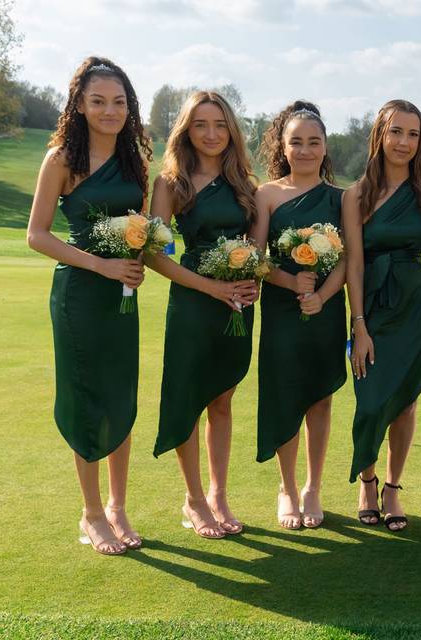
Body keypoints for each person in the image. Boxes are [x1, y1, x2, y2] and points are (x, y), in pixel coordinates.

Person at [26, 56, 153, 555]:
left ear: (129, 107)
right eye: (98, 101)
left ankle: (120, 508)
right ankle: (92, 512)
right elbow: (36, 235)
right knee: (87, 399)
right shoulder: (61, 158)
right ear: (79, 104)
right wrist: (100, 266)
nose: (109, 110)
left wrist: (142, 252)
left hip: (123, 297)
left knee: (121, 396)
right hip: (79, 296)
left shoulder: (135, 162)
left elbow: (140, 226)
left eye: (119, 102)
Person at [147, 91, 259, 539]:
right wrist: (212, 287)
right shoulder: (170, 183)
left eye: (219, 124)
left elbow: (255, 245)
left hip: (237, 304)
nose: (211, 134)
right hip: (194, 302)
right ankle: (193, 500)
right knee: (191, 401)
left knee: (223, 399)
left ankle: (218, 495)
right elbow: (155, 256)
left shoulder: (245, 183)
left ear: (231, 130)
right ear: (186, 131)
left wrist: (251, 281)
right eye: (200, 125)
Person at [343, 99, 421, 532]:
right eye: (396, 131)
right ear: (379, 135)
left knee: (407, 399)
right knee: (370, 399)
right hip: (374, 307)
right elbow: (355, 265)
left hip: (415, 306)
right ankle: (367, 478)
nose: (404, 142)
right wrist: (359, 325)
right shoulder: (356, 195)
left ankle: (394, 487)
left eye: (413, 134)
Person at [252, 101, 347, 530]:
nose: (306, 150)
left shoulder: (341, 198)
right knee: (286, 393)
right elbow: (255, 258)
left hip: (325, 310)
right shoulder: (267, 194)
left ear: (326, 147)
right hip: (281, 310)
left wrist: (323, 296)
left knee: (319, 397)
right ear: (283, 146)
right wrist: (292, 285)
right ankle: (287, 488)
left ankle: (313, 487)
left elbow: (349, 260)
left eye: (314, 142)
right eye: (297, 142)